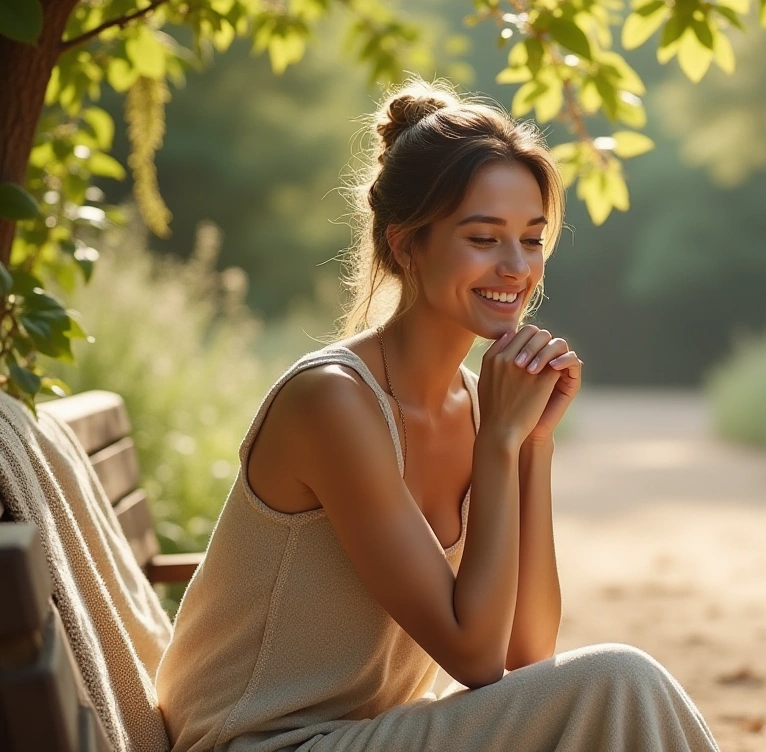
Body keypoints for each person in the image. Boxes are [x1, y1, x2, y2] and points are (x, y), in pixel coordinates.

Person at [153, 78, 720, 752]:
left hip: (363, 736)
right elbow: (476, 660)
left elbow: (526, 649)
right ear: (405, 246)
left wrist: (531, 444)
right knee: (622, 682)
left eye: (532, 240)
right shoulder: (335, 400)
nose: (515, 268)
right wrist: (500, 441)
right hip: (263, 743)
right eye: (484, 238)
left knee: (617, 687)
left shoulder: (477, 402)